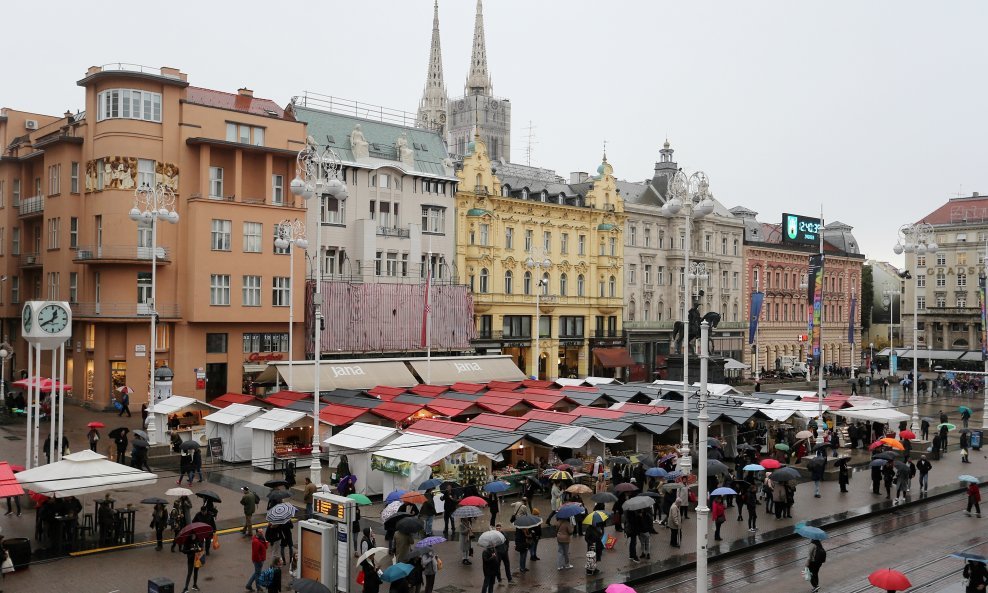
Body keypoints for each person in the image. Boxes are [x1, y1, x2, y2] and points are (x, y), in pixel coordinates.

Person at [246, 527, 269, 591]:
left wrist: (265, 542)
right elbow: (256, 553)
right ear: (256, 532)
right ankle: (258, 586)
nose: (261, 533)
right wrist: (260, 561)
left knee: (257, 573)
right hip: (258, 560)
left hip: (261, 559)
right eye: (260, 532)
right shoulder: (256, 541)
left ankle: (249, 585)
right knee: (258, 574)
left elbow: (266, 547)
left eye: (262, 532)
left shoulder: (261, 538)